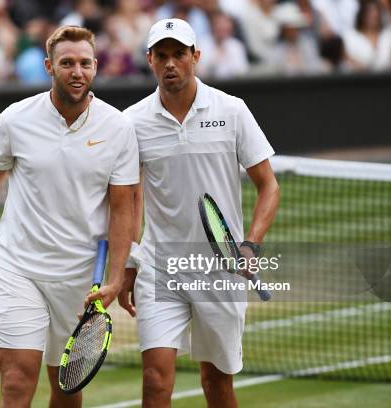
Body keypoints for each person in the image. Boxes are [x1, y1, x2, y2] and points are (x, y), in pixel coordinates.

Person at [0, 25, 139, 407]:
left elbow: (124, 207)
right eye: (67, 63)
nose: (77, 71)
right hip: (18, 269)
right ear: (48, 67)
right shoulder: (15, 119)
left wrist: (114, 278)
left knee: (66, 390)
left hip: (78, 279)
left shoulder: (119, 128)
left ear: (95, 67)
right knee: (16, 379)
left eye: (85, 63)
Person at [121, 19, 280, 408]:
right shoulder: (131, 122)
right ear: (150, 61)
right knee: (155, 380)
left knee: (216, 382)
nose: (171, 63)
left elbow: (269, 186)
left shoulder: (232, 110)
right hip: (160, 269)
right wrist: (127, 264)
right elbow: (127, 199)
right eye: (162, 56)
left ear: (196, 57)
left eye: (179, 54)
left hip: (220, 271)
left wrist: (251, 245)